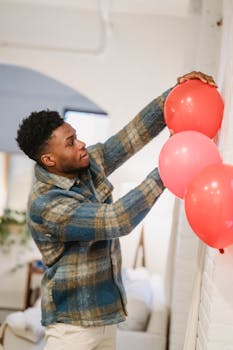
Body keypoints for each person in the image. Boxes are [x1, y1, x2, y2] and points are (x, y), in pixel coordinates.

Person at [16, 71, 216, 350]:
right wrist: (170, 168)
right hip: (71, 328)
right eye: (70, 143)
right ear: (49, 160)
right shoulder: (46, 204)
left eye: (75, 136)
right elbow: (117, 220)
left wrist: (172, 97)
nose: (81, 144)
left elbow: (130, 137)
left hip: (105, 318)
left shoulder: (83, 164)